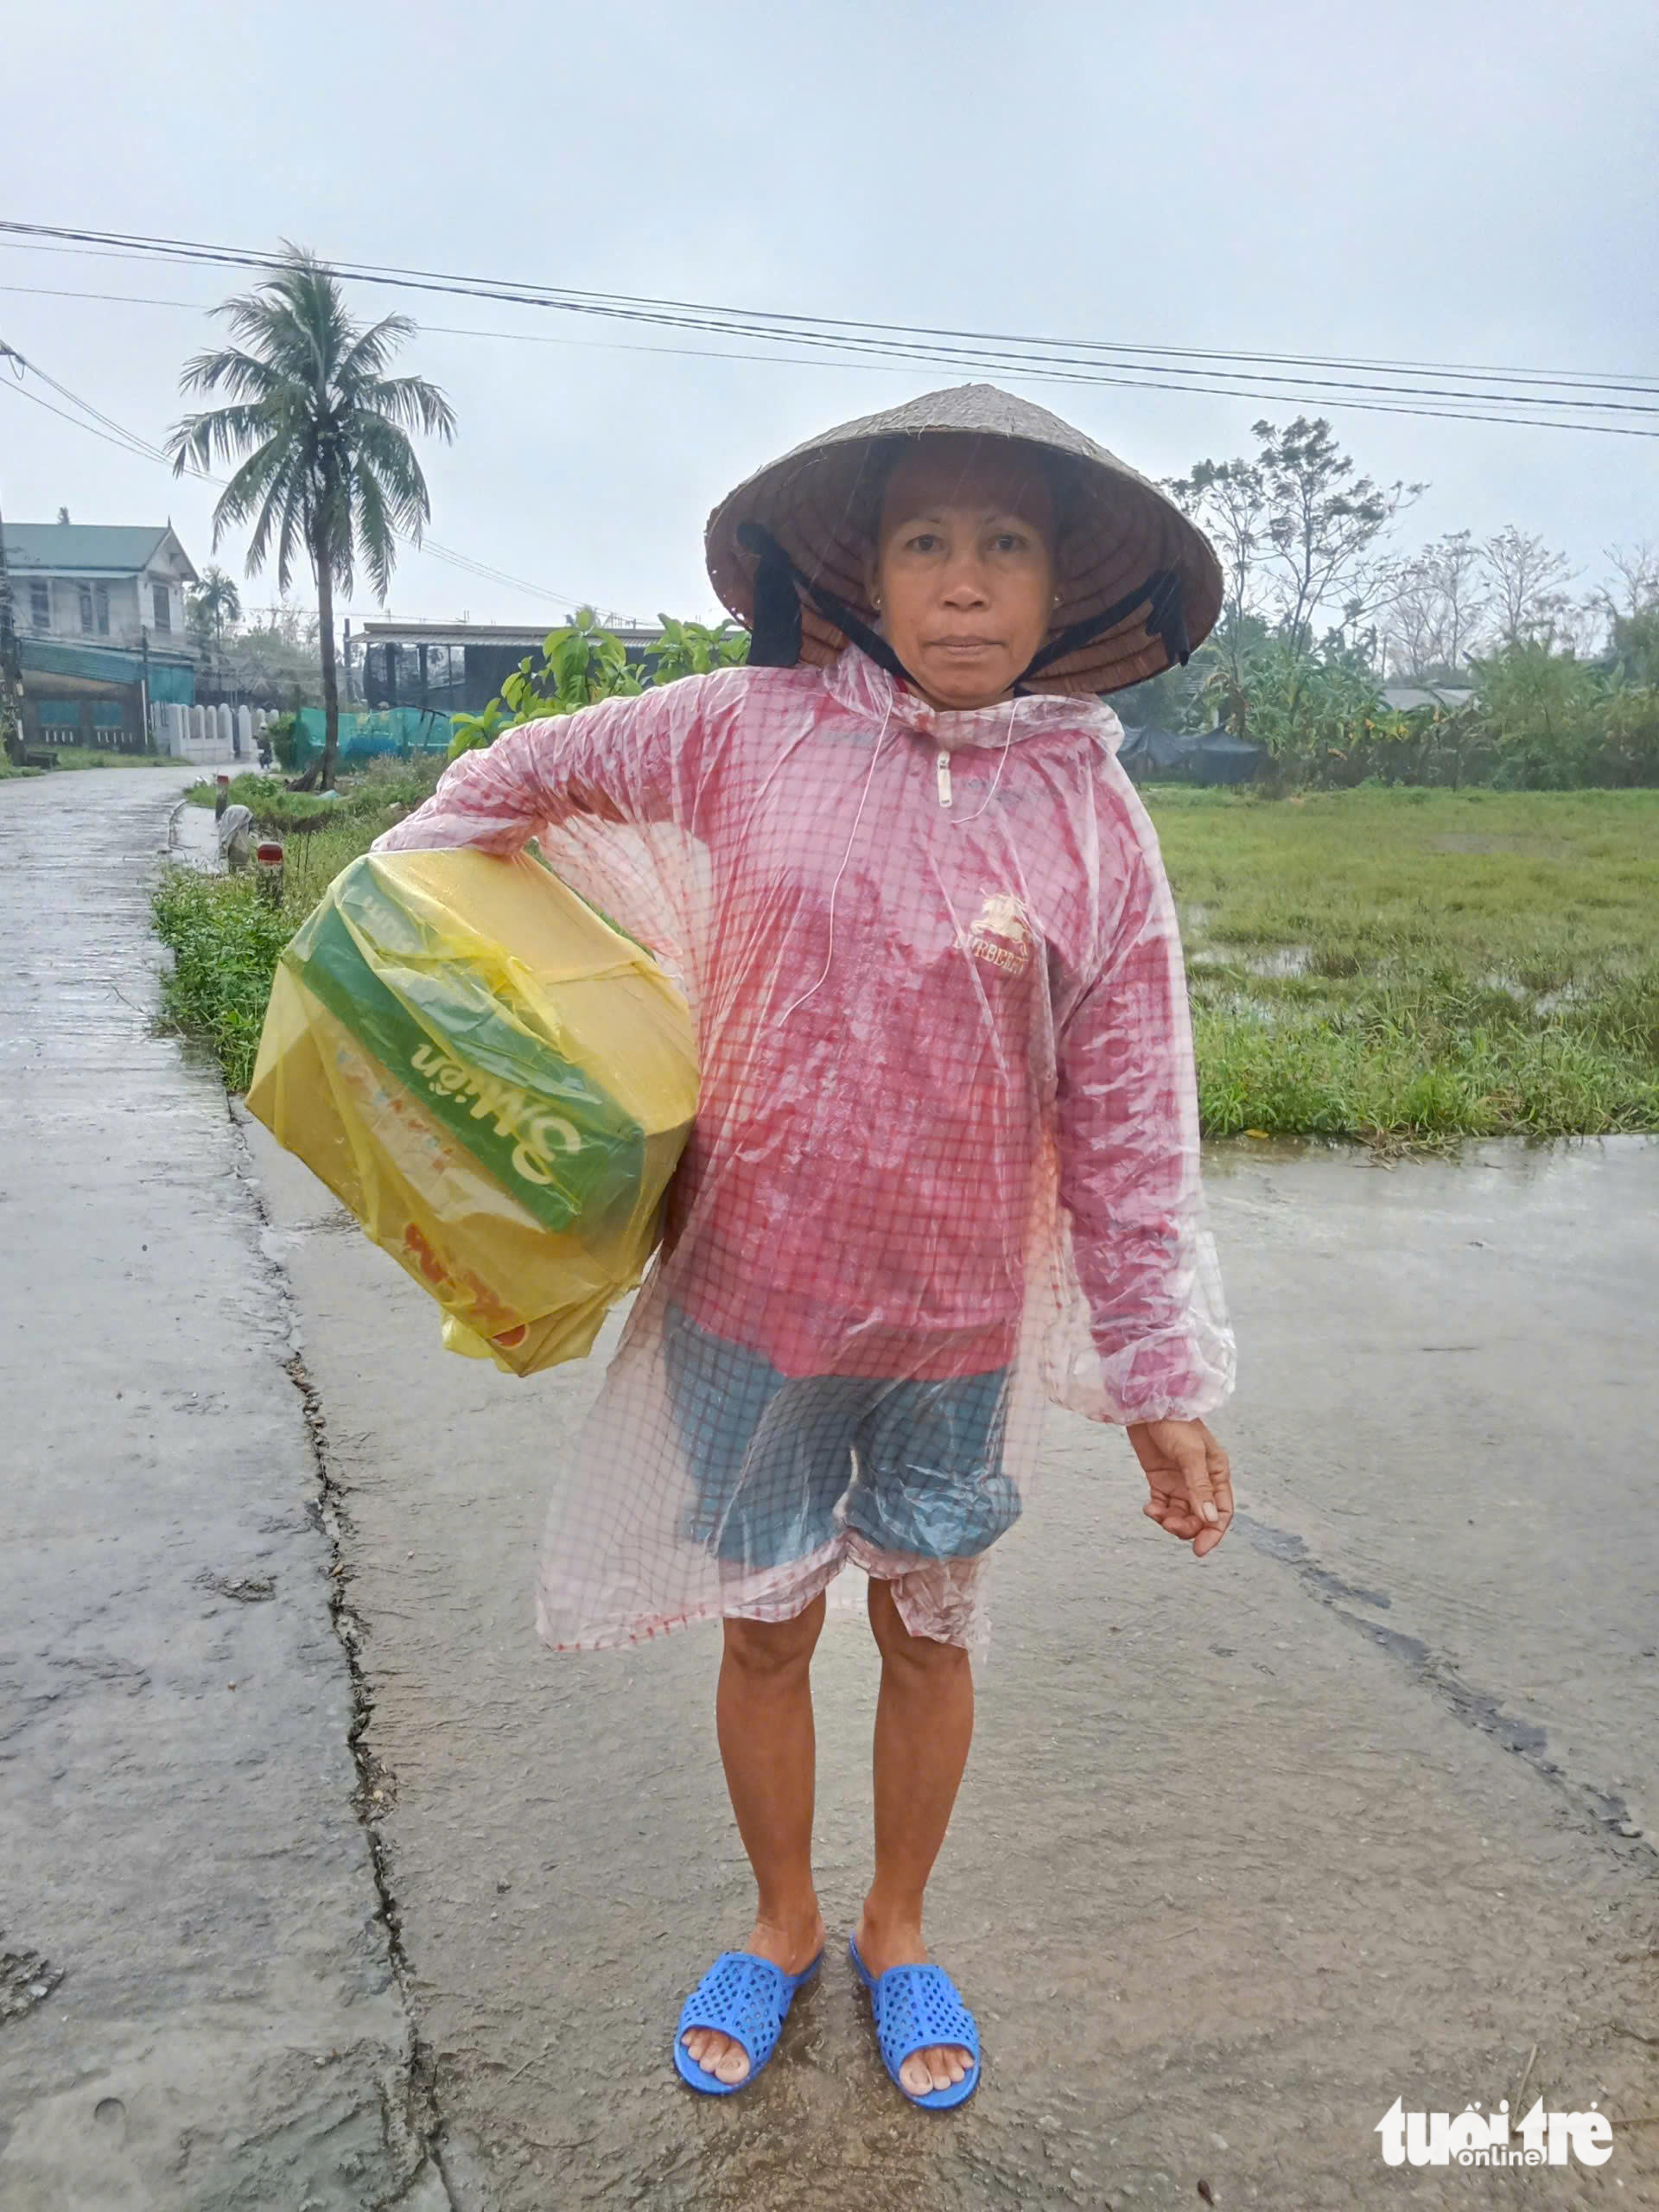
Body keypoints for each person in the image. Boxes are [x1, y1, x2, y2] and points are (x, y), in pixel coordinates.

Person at [373, 383, 1237, 2110]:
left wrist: (1159, 1382)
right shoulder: (744, 729)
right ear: (868, 570)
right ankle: (779, 1920)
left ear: (1062, 584)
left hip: (952, 1328)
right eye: (928, 541)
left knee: (929, 1632)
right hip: (749, 1303)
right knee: (764, 1631)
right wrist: (397, 927)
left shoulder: (1089, 816)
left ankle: (897, 1927)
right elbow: (514, 778)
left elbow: (1131, 1120)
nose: (966, 580)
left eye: (1007, 544)